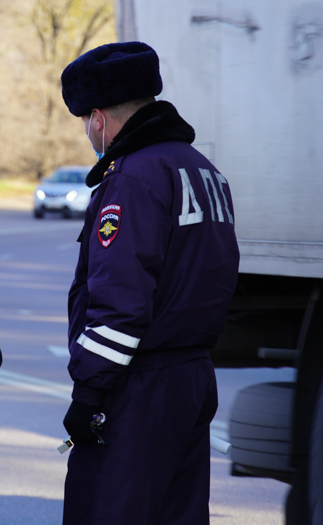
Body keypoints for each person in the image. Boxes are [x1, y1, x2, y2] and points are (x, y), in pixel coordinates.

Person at [59, 42, 240, 524]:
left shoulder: (133, 178)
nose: (86, 132)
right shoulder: (202, 170)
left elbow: (120, 304)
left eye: (84, 121)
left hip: (139, 387)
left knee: (108, 512)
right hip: (192, 376)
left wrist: (89, 394)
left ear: (97, 117)